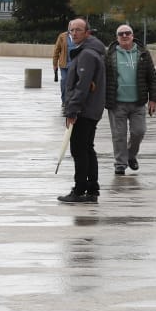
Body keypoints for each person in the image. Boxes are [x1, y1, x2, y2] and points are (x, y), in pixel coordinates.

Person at [104, 24, 156, 176]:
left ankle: (131, 155)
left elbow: (152, 78)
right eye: (121, 34)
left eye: (127, 33)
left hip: (138, 102)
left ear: (132, 35)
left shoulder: (143, 54)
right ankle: (120, 164)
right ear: (117, 38)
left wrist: (153, 99)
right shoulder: (110, 55)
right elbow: (102, 76)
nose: (124, 36)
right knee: (119, 135)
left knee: (139, 132)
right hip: (117, 103)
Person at [61, 18, 106, 204]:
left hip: (84, 111)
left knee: (79, 150)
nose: (74, 33)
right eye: (71, 30)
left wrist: (72, 110)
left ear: (87, 32)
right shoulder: (89, 51)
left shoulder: (87, 54)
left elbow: (82, 86)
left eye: (78, 30)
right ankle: (92, 189)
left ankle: (80, 190)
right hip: (91, 109)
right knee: (87, 149)